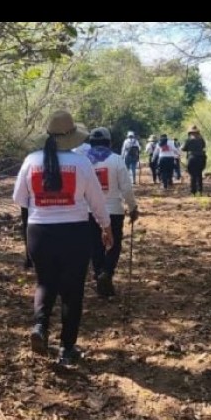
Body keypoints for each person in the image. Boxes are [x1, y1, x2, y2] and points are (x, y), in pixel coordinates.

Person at [13, 110, 112, 365]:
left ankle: (40, 327)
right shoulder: (82, 163)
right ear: (72, 137)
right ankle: (67, 349)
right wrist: (106, 227)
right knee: (72, 291)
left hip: (39, 233)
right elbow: (97, 201)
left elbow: (19, 199)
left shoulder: (31, 160)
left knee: (44, 283)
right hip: (74, 233)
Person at [80, 127, 139, 297]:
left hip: (90, 211)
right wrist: (132, 207)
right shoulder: (116, 160)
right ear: (109, 142)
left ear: (91, 143)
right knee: (114, 243)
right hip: (114, 210)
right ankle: (107, 272)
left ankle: (99, 273)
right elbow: (126, 188)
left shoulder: (83, 162)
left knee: (95, 245)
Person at [182, 124, 207, 195]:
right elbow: (204, 146)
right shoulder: (201, 139)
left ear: (190, 133)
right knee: (199, 174)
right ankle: (200, 191)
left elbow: (183, 148)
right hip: (201, 158)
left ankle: (193, 191)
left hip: (192, 158)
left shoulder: (188, 140)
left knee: (193, 175)